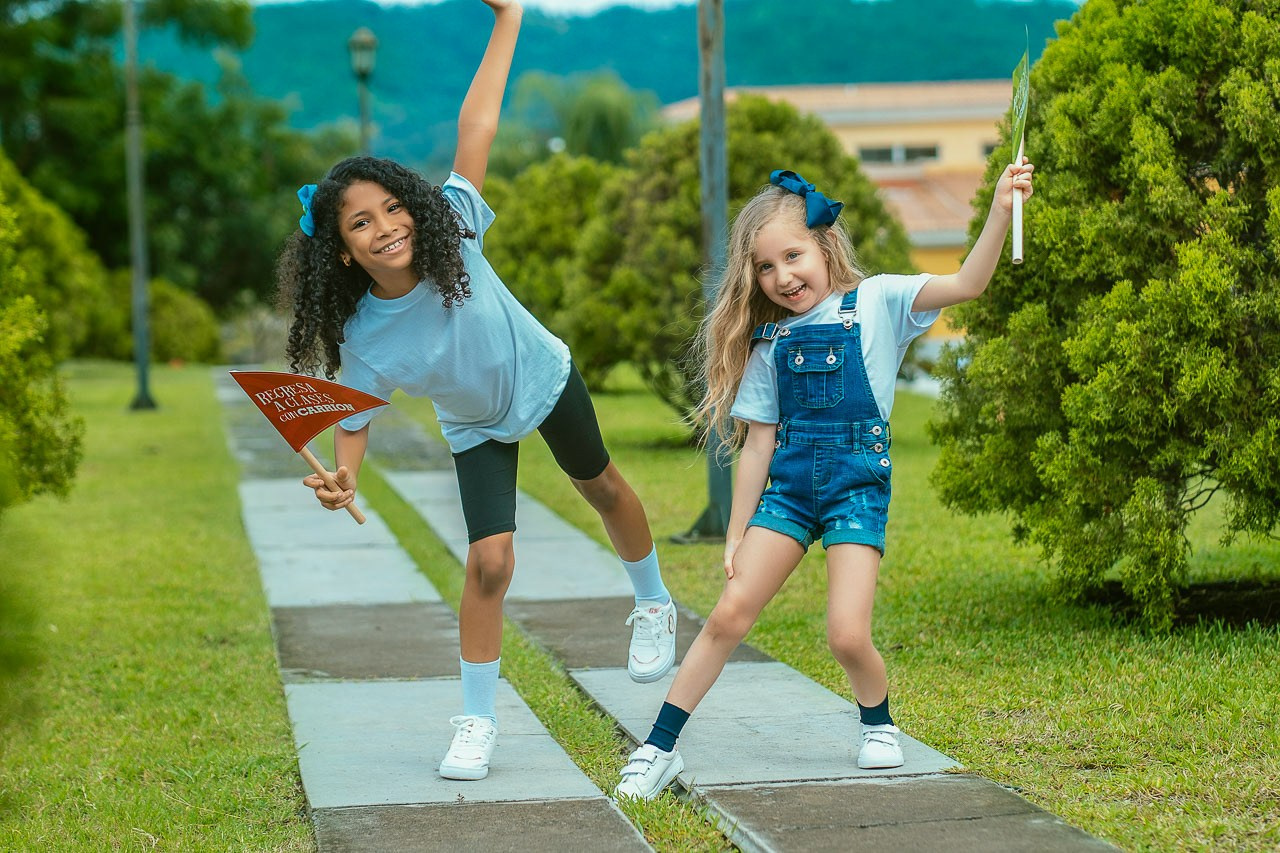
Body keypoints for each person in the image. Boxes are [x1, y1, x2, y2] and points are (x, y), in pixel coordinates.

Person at [275, 0, 677, 783]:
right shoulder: (362, 335)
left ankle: (654, 600)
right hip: (475, 422)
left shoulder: (454, 224)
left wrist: (510, 19)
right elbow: (353, 416)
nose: (386, 226)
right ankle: (477, 719)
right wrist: (344, 474)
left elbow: (477, 126)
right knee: (489, 562)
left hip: (542, 375)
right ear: (344, 251)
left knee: (602, 485)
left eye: (393, 206)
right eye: (362, 223)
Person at [614, 160, 1035, 800]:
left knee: (846, 633)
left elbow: (968, 284)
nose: (783, 277)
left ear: (825, 245)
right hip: (787, 490)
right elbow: (757, 446)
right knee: (728, 614)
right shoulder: (768, 343)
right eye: (765, 267)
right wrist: (735, 534)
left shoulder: (880, 301)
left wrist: (1003, 207)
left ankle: (878, 722)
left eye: (793, 256)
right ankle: (659, 746)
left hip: (855, 485)